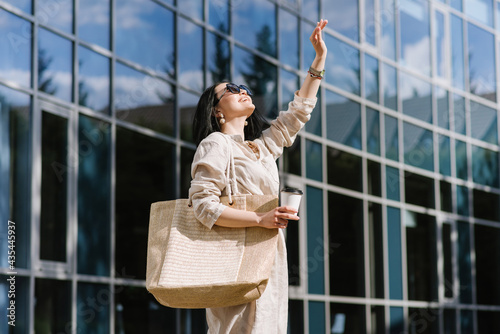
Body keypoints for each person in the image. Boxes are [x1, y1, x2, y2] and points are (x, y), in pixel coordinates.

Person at [188, 19, 328, 334]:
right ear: (216, 110)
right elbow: (202, 206)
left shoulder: (262, 148)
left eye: (244, 88)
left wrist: (318, 61)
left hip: (269, 256)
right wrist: (259, 218)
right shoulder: (216, 144)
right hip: (235, 255)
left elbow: (298, 113)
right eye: (231, 90)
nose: (242, 91)